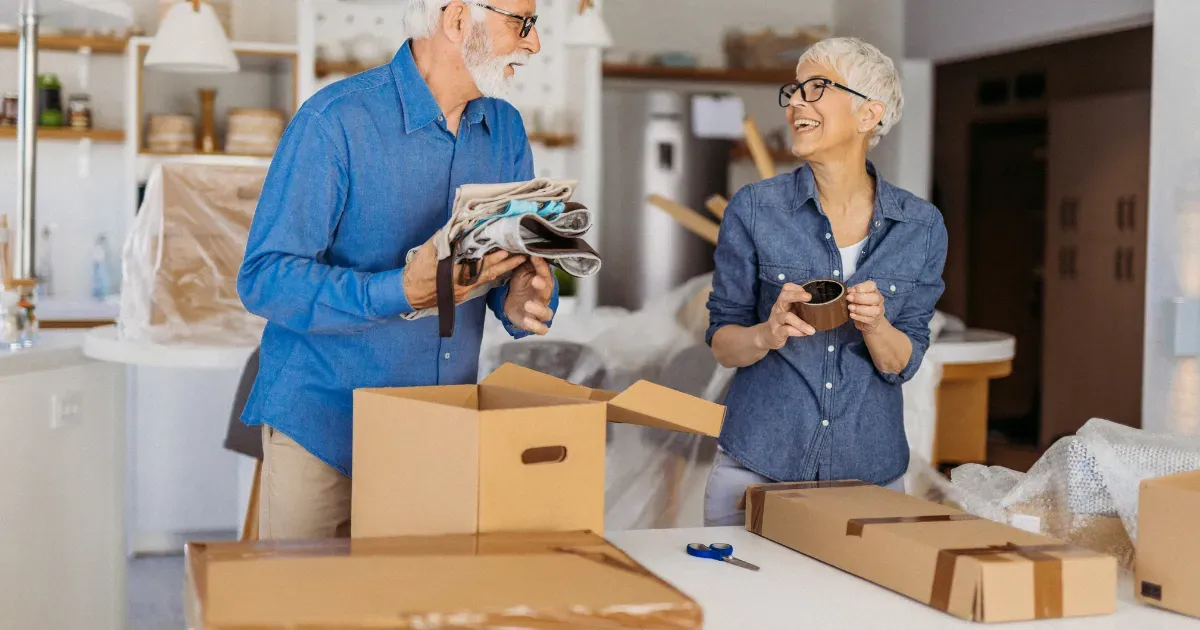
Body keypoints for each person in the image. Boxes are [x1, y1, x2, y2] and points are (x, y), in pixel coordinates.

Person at [237, 0, 556, 540]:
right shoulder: (333, 121)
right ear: (458, 20)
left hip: (435, 430)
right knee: (307, 615)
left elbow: (501, 260)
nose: (533, 43)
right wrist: (401, 292)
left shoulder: (505, 129)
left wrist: (519, 292)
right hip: (325, 428)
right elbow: (265, 278)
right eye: (520, 23)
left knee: (414, 612)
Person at [703, 37, 948, 526]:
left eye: (815, 88)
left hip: (868, 475)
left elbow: (904, 363)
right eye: (793, 90)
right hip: (757, 465)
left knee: (854, 605)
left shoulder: (921, 227)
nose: (795, 101)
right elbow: (723, 343)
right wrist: (765, 334)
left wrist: (877, 325)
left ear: (867, 114)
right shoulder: (754, 209)